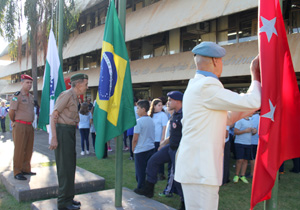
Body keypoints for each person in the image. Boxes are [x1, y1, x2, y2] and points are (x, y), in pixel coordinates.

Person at [174, 42, 261, 210]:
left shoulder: (197, 85)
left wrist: (249, 106)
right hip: (200, 170)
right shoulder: (207, 85)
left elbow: (226, 118)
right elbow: (253, 100)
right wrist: (255, 75)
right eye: (221, 61)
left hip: (197, 169)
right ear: (215, 61)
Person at [134, 91, 185, 210]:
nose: (168, 102)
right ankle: (149, 189)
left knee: (178, 177)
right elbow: (174, 133)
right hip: (170, 146)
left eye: (170, 100)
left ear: (178, 101)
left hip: (179, 149)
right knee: (152, 161)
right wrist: (164, 143)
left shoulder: (185, 115)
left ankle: (184, 203)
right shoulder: (175, 114)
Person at [49, 73, 88, 210]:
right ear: (78, 84)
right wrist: (54, 137)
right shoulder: (66, 95)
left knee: (70, 166)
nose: (87, 87)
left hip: (70, 131)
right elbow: (53, 115)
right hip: (63, 132)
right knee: (65, 167)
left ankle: (69, 198)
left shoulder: (75, 97)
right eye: (86, 84)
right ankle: (63, 202)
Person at [9, 74, 35, 181]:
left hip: (29, 126)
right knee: (19, 149)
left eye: (30, 83)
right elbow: (11, 112)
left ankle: (26, 169)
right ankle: (17, 171)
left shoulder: (31, 96)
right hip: (20, 125)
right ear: (22, 83)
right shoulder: (17, 96)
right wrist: (14, 121)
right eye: (27, 82)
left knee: (28, 149)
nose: (29, 85)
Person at [132, 100, 155, 189]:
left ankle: (140, 188)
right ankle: (145, 186)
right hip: (150, 148)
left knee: (140, 171)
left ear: (143, 109)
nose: (137, 110)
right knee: (147, 170)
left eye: (138, 108)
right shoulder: (151, 120)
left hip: (141, 149)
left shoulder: (139, 121)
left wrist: (133, 148)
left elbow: (135, 138)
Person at [149, 98, 168, 180]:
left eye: (161, 105)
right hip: (151, 140)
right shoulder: (150, 115)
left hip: (158, 140)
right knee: (151, 157)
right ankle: (152, 173)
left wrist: (162, 140)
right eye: (159, 105)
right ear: (154, 106)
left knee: (159, 157)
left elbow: (164, 128)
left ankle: (161, 174)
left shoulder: (163, 115)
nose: (161, 107)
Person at [233, 116, 253, 184]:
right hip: (239, 142)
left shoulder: (251, 120)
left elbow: (252, 132)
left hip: (248, 143)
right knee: (239, 160)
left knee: (245, 160)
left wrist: (254, 131)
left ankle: (242, 175)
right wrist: (245, 131)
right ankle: (236, 175)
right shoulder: (240, 120)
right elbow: (235, 132)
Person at [250, 111, 260, 177]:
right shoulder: (257, 117)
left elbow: (253, 130)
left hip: (253, 141)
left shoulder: (256, 117)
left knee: (253, 158)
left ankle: (252, 173)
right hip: (255, 141)